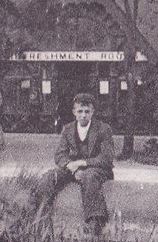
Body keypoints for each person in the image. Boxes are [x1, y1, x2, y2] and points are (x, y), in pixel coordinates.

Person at [34, 93, 116, 233]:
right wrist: (71, 167)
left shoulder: (103, 129)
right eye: (80, 111)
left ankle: (95, 221)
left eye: (87, 112)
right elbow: (60, 154)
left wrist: (83, 162)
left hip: (96, 168)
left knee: (89, 176)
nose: (83, 115)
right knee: (49, 177)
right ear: (74, 112)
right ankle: (40, 215)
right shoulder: (68, 129)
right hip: (73, 169)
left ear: (92, 112)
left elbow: (107, 157)